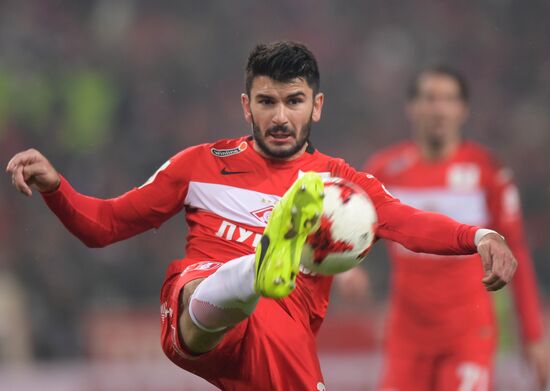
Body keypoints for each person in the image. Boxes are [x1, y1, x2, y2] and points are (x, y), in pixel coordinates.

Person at [6, 43, 517, 391]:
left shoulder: (341, 183)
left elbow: (408, 222)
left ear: (316, 107)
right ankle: (255, 269)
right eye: (266, 101)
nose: (279, 116)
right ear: (245, 105)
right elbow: (105, 227)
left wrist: (480, 235)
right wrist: (57, 188)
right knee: (210, 290)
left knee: (272, 317)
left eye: (293, 101)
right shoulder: (200, 165)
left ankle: (259, 271)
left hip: (282, 340)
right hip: (202, 309)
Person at [350, 65, 547, 391]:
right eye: (429, 98)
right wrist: (349, 269)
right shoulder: (384, 170)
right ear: (411, 107)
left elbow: (517, 255)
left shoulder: (488, 173)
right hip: (406, 339)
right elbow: (349, 231)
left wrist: (533, 334)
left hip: (468, 336)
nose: (438, 108)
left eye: (448, 99)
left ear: (463, 109)